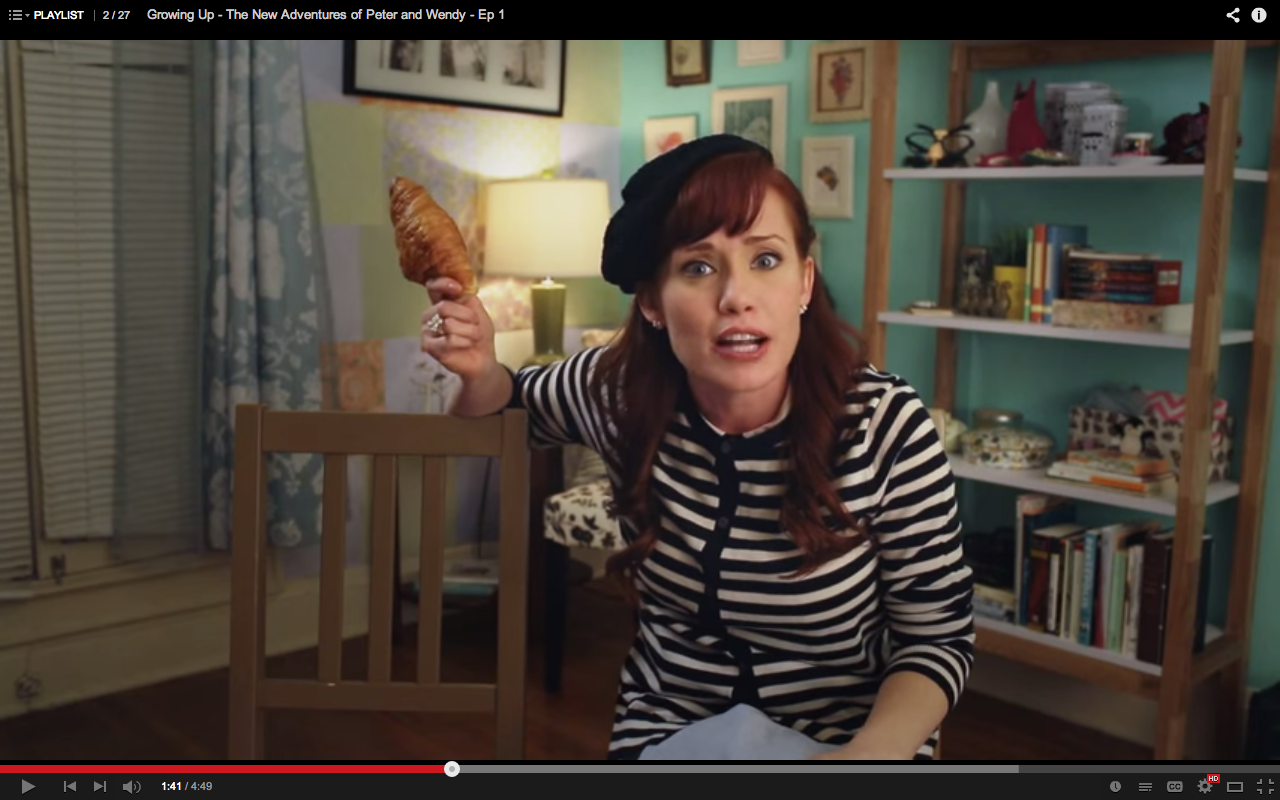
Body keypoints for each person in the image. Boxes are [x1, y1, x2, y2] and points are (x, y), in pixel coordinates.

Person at [420, 134, 974, 761]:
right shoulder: (616, 390)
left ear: (804, 282)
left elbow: (938, 639)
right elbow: (509, 406)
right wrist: (478, 368)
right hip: (670, 726)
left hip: (849, 736)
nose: (736, 296)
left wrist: (865, 756)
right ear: (652, 302)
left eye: (766, 259)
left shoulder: (885, 424)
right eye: (699, 267)